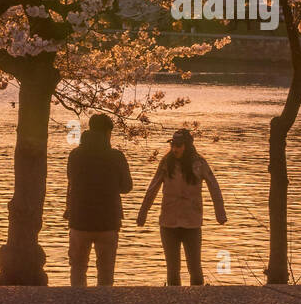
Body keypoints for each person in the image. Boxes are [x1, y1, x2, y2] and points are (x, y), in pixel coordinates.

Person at [135, 128, 226, 286]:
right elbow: (153, 188)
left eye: (178, 145)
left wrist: (220, 213)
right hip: (168, 223)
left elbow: (214, 186)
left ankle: (197, 302)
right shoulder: (166, 163)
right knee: (172, 269)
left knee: (195, 268)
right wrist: (143, 212)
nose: (175, 149)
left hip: (192, 223)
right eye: (173, 145)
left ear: (187, 146)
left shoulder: (199, 163)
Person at [64, 113, 132, 286]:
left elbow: (71, 182)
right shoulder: (116, 157)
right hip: (107, 222)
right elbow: (126, 187)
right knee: (106, 271)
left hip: (79, 220)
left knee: (78, 268)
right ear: (108, 132)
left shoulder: (75, 155)